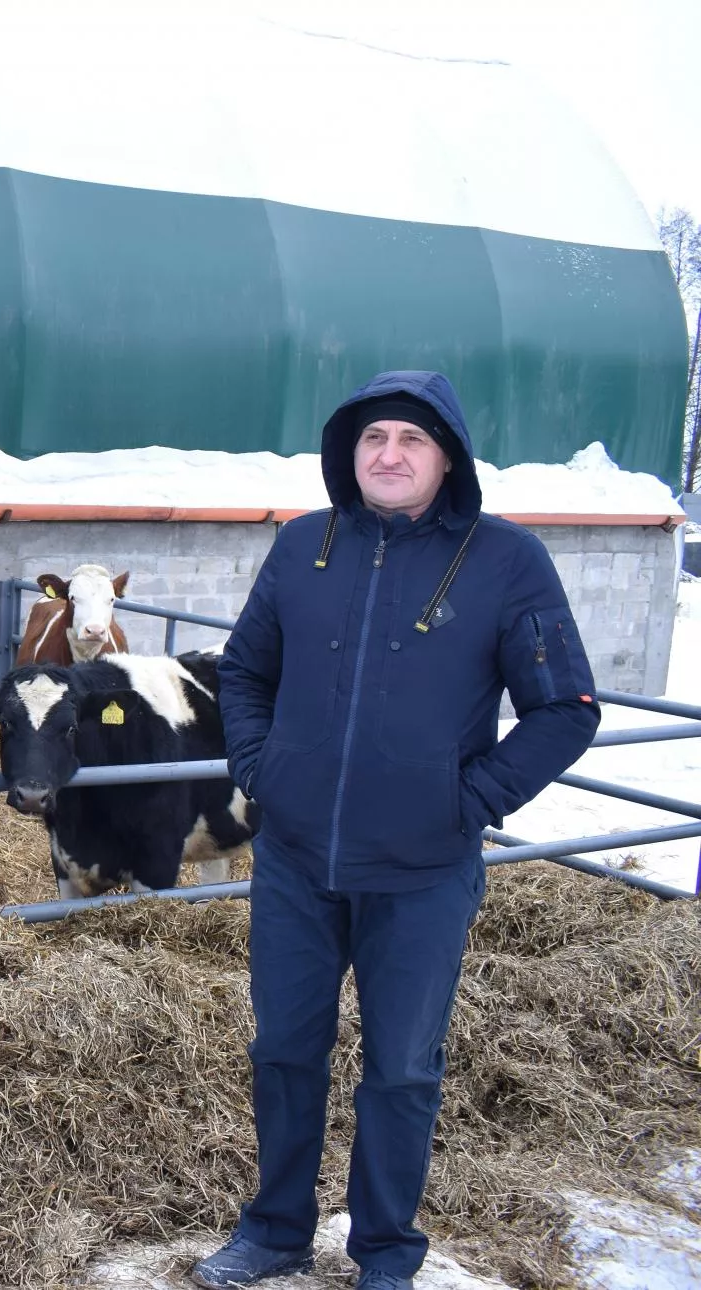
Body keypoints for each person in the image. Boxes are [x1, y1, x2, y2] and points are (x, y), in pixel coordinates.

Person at [200, 371, 601, 1290]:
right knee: (285, 1050)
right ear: (349, 452)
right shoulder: (305, 546)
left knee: (403, 1071)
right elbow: (244, 673)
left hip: (422, 873)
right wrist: (261, 770)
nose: (389, 455)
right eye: (374, 437)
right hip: (297, 863)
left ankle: (384, 1250)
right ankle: (273, 1230)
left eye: (412, 441)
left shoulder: (507, 562)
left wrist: (472, 800)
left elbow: (566, 709)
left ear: (447, 456)